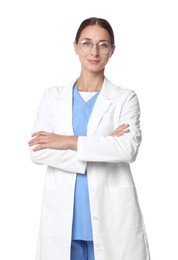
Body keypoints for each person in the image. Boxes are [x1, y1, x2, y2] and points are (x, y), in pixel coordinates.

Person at [28, 17, 150, 260]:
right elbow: (38, 150)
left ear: (112, 51)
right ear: (75, 47)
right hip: (64, 222)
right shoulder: (53, 97)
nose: (94, 52)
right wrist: (102, 146)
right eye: (87, 43)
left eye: (103, 45)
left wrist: (66, 141)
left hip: (111, 218)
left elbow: (127, 149)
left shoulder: (125, 98)